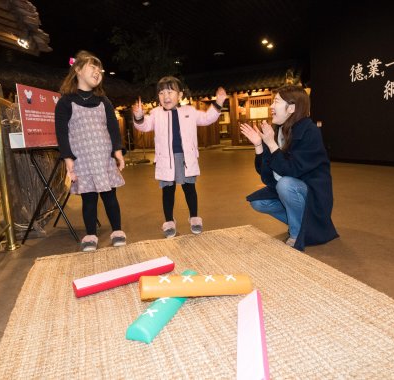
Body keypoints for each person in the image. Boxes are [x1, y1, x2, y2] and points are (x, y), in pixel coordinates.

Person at [240, 85, 338, 251]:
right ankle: (302, 225)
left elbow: (291, 170)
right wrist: (259, 146)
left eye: (276, 101)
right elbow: (266, 176)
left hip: (312, 195)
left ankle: (296, 233)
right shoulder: (278, 131)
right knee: (259, 202)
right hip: (292, 189)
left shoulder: (310, 132)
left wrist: (271, 144)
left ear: (291, 108)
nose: (271, 107)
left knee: (285, 184)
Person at [132, 76, 227, 238]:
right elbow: (144, 126)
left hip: (186, 158)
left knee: (189, 188)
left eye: (170, 92)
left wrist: (218, 103)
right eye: (161, 93)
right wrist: (139, 117)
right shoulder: (155, 113)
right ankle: (169, 221)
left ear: (180, 95)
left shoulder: (189, 111)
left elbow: (206, 118)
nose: (166, 96)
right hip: (165, 159)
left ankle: (194, 217)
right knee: (167, 191)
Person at [55, 50, 126, 252]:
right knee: (89, 199)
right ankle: (91, 235)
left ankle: (118, 231)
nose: (98, 72)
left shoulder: (104, 101)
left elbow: (113, 129)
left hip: (104, 159)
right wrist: (68, 158)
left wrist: (118, 152)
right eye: (93, 67)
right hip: (83, 160)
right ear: (77, 69)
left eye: (100, 69)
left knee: (110, 196)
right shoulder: (66, 102)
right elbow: (61, 133)